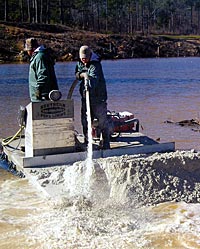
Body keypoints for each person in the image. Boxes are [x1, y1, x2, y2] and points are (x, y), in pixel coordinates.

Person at [75, 45, 110, 149]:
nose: (84, 61)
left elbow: (92, 83)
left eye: (86, 59)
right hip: (85, 98)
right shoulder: (80, 62)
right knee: (85, 121)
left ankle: (105, 142)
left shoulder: (95, 65)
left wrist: (86, 77)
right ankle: (87, 142)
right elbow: (77, 72)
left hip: (98, 98)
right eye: (82, 59)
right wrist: (80, 74)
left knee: (102, 121)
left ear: (90, 56)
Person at [24, 38, 59, 102]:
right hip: (44, 96)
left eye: (27, 50)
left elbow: (43, 75)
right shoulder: (42, 55)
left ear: (32, 49)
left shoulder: (39, 57)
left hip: (42, 97)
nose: (27, 52)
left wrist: (38, 91)